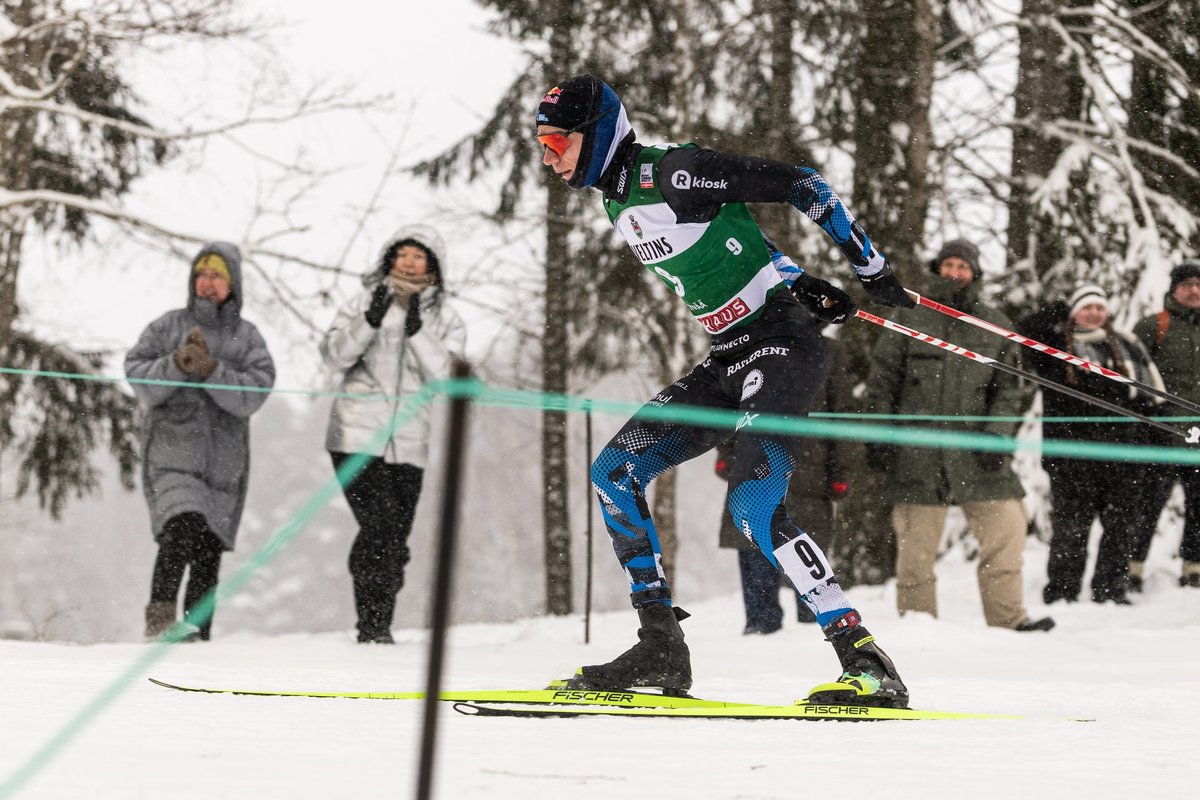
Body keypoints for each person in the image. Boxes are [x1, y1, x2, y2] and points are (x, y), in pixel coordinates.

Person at [535, 75, 914, 706]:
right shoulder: (616, 200)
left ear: (595, 132)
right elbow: (734, 239)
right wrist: (797, 277)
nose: (549, 157)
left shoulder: (673, 174)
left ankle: (867, 659)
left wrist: (869, 267)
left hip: (781, 345)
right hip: (728, 354)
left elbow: (803, 184)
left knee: (753, 505)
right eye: (543, 146)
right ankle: (660, 644)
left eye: (556, 141)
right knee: (614, 472)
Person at [864, 239, 1053, 632]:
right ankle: (917, 626)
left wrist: (997, 439)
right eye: (948, 264)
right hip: (919, 455)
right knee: (915, 548)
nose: (955, 272)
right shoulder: (909, 318)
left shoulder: (994, 323)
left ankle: (1008, 619)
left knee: (1008, 528)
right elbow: (882, 383)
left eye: (963, 266)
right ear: (937, 269)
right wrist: (878, 436)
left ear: (975, 273)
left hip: (977, 454)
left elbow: (1009, 391)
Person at [320, 226, 466, 644]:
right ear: (388, 259)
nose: (408, 262)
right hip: (354, 435)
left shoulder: (446, 319)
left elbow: (448, 378)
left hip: (410, 443)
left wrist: (418, 332)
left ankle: (379, 621)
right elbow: (333, 357)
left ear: (433, 266)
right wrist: (369, 322)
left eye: (418, 257)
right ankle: (372, 625)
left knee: (394, 539)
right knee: (380, 526)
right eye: (402, 254)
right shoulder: (362, 303)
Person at [126, 242, 276, 641]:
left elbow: (254, 393)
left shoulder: (248, 338)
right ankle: (159, 619)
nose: (207, 284)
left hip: (224, 464)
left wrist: (212, 371)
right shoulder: (166, 327)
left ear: (233, 285)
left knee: (208, 545)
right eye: (201, 275)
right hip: (172, 454)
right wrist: (175, 364)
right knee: (182, 525)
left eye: (216, 276)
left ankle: (197, 630)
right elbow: (139, 377)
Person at [1018, 284, 1165, 605]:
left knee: (1120, 527)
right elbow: (1024, 332)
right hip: (1071, 457)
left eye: (1099, 307)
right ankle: (1062, 591)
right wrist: (1059, 308)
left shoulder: (1126, 344)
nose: (1094, 313)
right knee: (1071, 527)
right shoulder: (1054, 348)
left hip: (1124, 456)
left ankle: (1111, 590)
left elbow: (1151, 399)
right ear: (1074, 312)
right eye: (1087, 307)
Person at [715, 331, 854, 634]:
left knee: (806, 545)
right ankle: (760, 626)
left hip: (811, 468)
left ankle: (817, 624)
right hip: (752, 461)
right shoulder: (745, 343)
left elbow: (842, 412)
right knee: (753, 541)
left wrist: (840, 469)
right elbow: (726, 401)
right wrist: (725, 451)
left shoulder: (829, 351)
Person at [1131, 261, 1200, 589]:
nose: (1194, 290)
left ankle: (1193, 567)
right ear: (1174, 289)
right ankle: (1133, 567)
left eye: (1199, 284)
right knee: (1147, 504)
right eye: (1187, 284)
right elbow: (1131, 373)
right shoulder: (1154, 325)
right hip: (1161, 434)